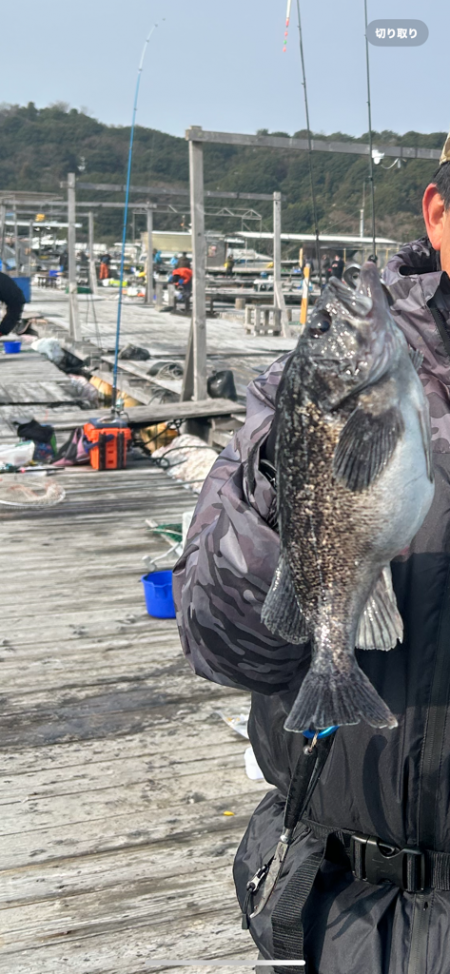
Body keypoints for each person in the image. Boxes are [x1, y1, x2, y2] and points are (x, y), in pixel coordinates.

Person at [173, 129, 450, 974]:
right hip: (356, 910)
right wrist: (286, 481)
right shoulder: (294, 396)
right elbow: (218, 642)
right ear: (439, 215)